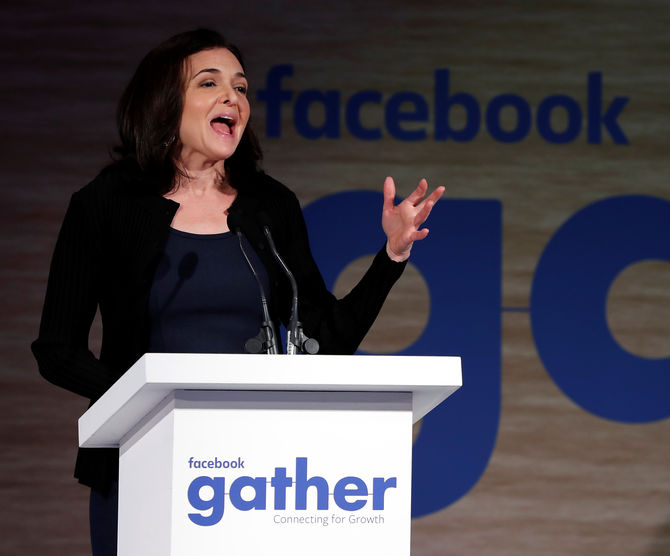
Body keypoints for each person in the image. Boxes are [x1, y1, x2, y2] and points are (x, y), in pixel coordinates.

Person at [31, 28, 444, 556]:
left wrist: (391, 257)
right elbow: (56, 350)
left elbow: (326, 339)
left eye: (242, 87)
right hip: (141, 465)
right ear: (165, 102)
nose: (233, 97)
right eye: (210, 83)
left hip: (254, 477)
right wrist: (141, 403)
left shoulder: (270, 205)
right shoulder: (107, 203)